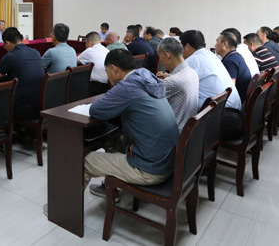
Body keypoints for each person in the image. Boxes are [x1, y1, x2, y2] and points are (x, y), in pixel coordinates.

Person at [84, 49, 179, 199]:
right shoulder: (146, 76)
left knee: (87, 161)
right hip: (168, 161)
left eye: (107, 71)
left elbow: (95, 110)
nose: (107, 76)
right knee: (116, 140)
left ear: (114, 69)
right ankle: (110, 189)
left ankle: (64, 209)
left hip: (150, 170)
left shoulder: (127, 86)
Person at [181, 30, 243, 140]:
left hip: (222, 120)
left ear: (187, 46)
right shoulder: (211, 55)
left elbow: (179, 84)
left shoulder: (193, 60)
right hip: (237, 117)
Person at [0, 27, 45, 120]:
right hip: (41, 105)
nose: (4, 47)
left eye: (4, 45)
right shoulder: (36, 52)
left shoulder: (10, 56)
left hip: (22, 109)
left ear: (8, 43)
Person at [156, 37, 199, 130]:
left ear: (167, 55)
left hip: (173, 132)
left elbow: (149, 101)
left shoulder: (172, 82)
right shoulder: (192, 73)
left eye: (160, 57)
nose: (160, 61)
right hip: (188, 129)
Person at [215, 31, 252, 103]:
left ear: (225, 44)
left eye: (217, 42)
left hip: (237, 103)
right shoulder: (236, 56)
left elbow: (230, 90)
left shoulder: (230, 62)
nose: (215, 45)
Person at [77, 31, 110, 95]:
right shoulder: (107, 50)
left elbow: (75, 61)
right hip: (107, 85)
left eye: (85, 43)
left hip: (95, 86)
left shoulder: (90, 51)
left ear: (89, 42)